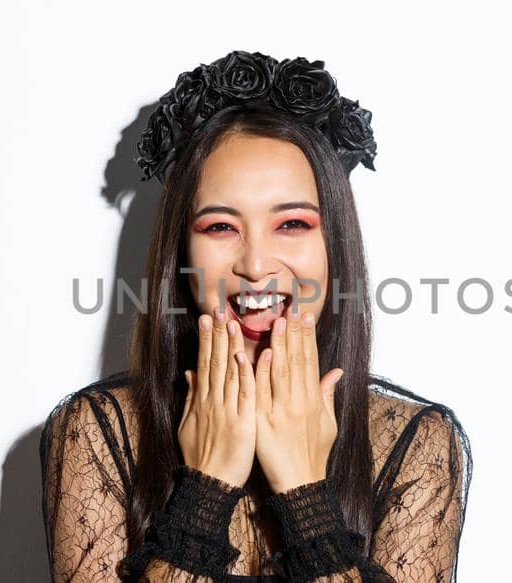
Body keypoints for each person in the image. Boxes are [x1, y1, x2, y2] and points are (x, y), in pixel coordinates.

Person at [41, 51, 472, 582]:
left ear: (333, 244)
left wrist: (303, 491)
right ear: (182, 254)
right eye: (221, 227)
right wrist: (207, 484)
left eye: (291, 224)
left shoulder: (415, 443)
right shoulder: (99, 431)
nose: (256, 264)